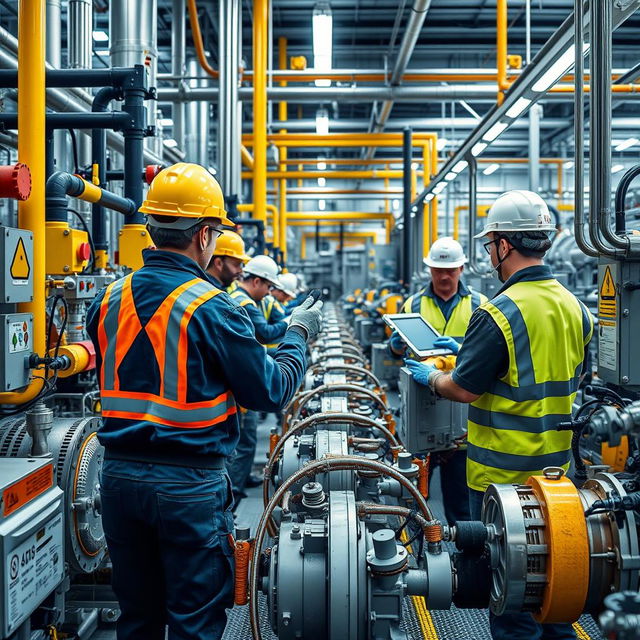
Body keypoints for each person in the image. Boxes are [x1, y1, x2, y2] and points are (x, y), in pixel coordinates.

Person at [86, 162, 323, 640]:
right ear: (205, 234)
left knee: (136, 619)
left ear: (152, 228)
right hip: (187, 487)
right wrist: (298, 333)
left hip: (117, 479)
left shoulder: (106, 300)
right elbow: (271, 389)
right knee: (195, 622)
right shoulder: (213, 308)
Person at [405, 190, 593, 640]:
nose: (489, 253)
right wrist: (470, 352)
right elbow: (575, 377)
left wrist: (431, 378)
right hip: (557, 478)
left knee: (511, 599)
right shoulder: (576, 308)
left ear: (505, 246)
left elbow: (464, 389)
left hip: (502, 482)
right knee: (556, 593)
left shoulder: (499, 312)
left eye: (490, 245)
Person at [390, 236, 487, 525]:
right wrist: (396, 345)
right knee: (412, 496)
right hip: (423, 406)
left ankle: (463, 557)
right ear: (429, 270)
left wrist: (460, 347)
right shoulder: (413, 303)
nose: (444, 276)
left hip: (462, 408)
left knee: (461, 502)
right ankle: (411, 551)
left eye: (451, 269)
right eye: (438, 270)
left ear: (461, 269)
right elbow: (397, 351)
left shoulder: (480, 304)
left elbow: (488, 352)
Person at [227, 255, 291, 498]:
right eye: (267, 287)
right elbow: (263, 334)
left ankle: (240, 479)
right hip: (242, 380)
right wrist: (293, 325)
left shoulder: (241, 298)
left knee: (247, 434)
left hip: (244, 376)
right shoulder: (244, 302)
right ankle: (233, 489)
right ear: (256, 281)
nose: (268, 293)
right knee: (244, 436)